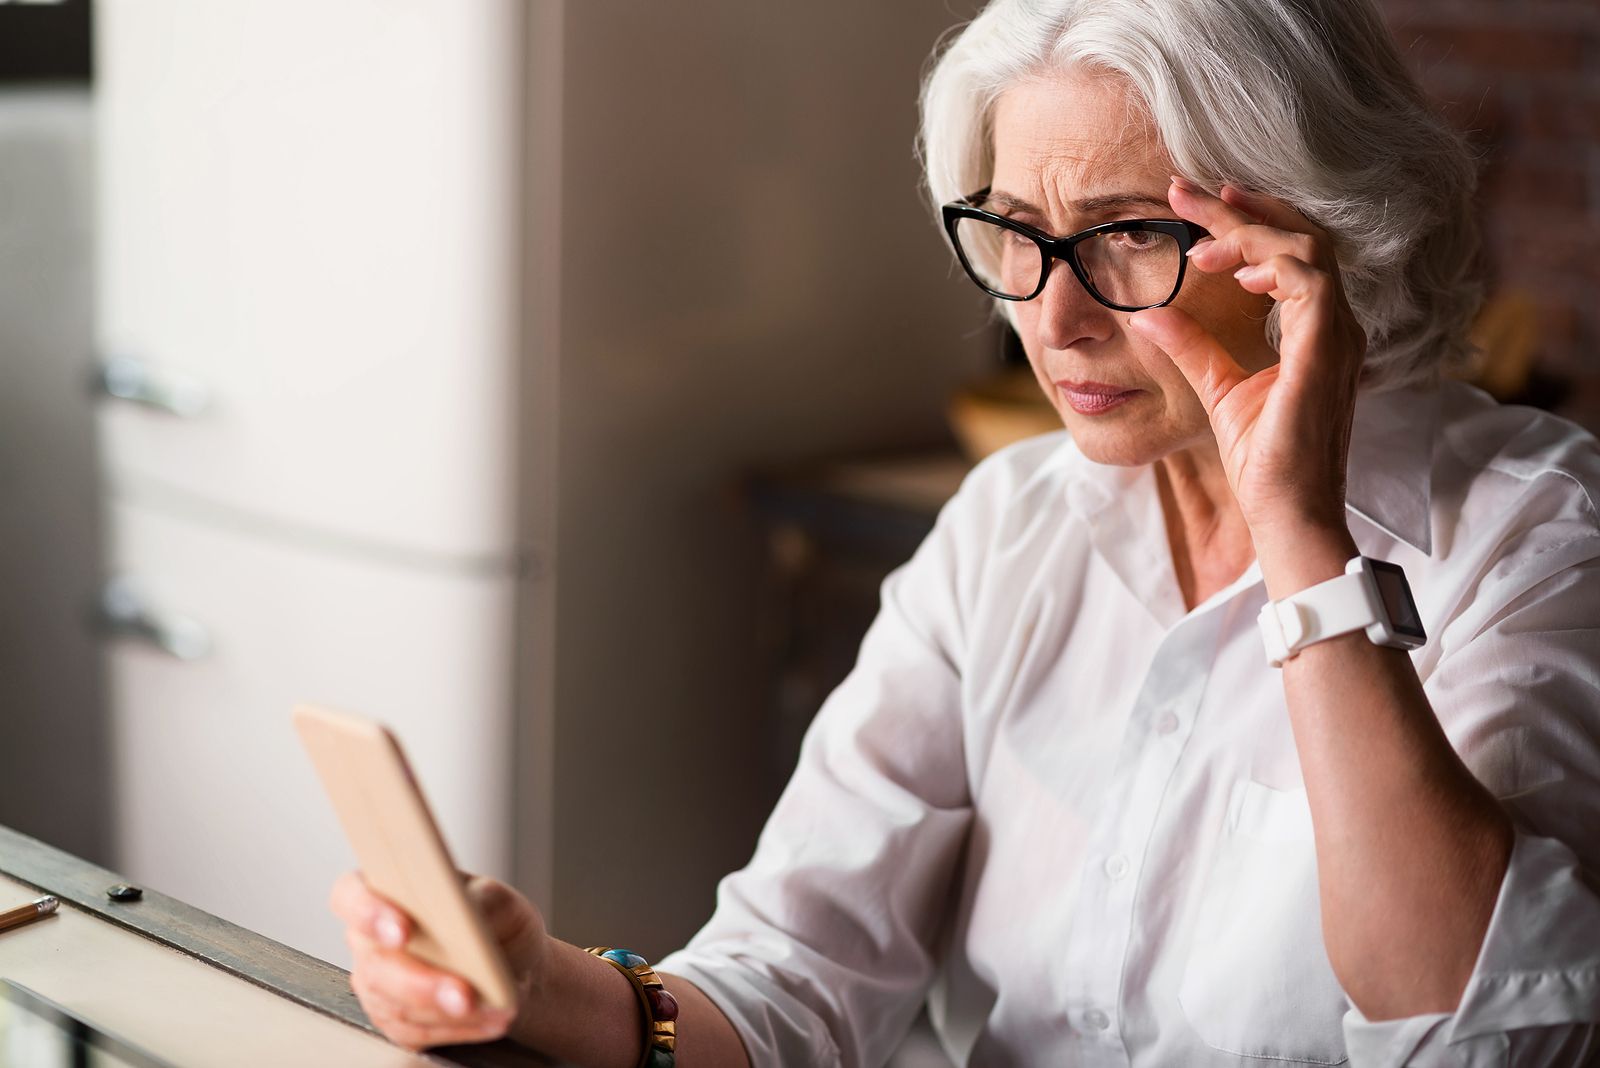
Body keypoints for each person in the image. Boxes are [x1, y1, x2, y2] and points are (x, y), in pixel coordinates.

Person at [330, 0, 1600, 1063]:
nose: (1051, 320)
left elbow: (1482, 1033)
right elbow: (795, 975)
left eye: (1127, 235)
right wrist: (536, 989)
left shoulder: (1532, 535)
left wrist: (1301, 538)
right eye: (1015, 235)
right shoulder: (1011, 525)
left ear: (1316, 236)